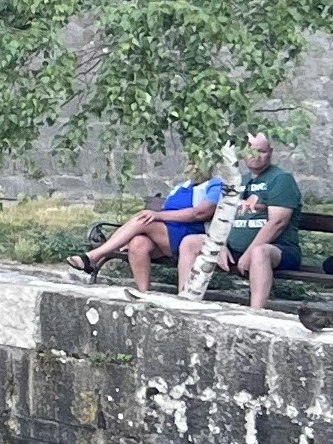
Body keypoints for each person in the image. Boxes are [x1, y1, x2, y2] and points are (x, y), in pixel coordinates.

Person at [178, 130, 307, 311]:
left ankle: (255, 314)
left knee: (259, 253)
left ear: (270, 152)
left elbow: (278, 223)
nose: (255, 156)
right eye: (251, 151)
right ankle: (185, 302)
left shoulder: (281, 179)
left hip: (278, 250)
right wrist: (219, 244)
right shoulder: (239, 181)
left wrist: (249, 252)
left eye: (261, 151)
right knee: (190, 243)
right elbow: (224, 215)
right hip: (235, 250)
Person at [75, 148, 229, 290]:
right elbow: (166, 210)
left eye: (199, 163)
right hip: (165, 234)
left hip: (188, 235)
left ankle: (95, 255)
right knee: (138, 243)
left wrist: (157, 216)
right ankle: (144, 295)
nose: (194, 167)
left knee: (143, 219)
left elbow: (200, 213)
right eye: (192, 162)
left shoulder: (215, 184)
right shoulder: (182, 186)